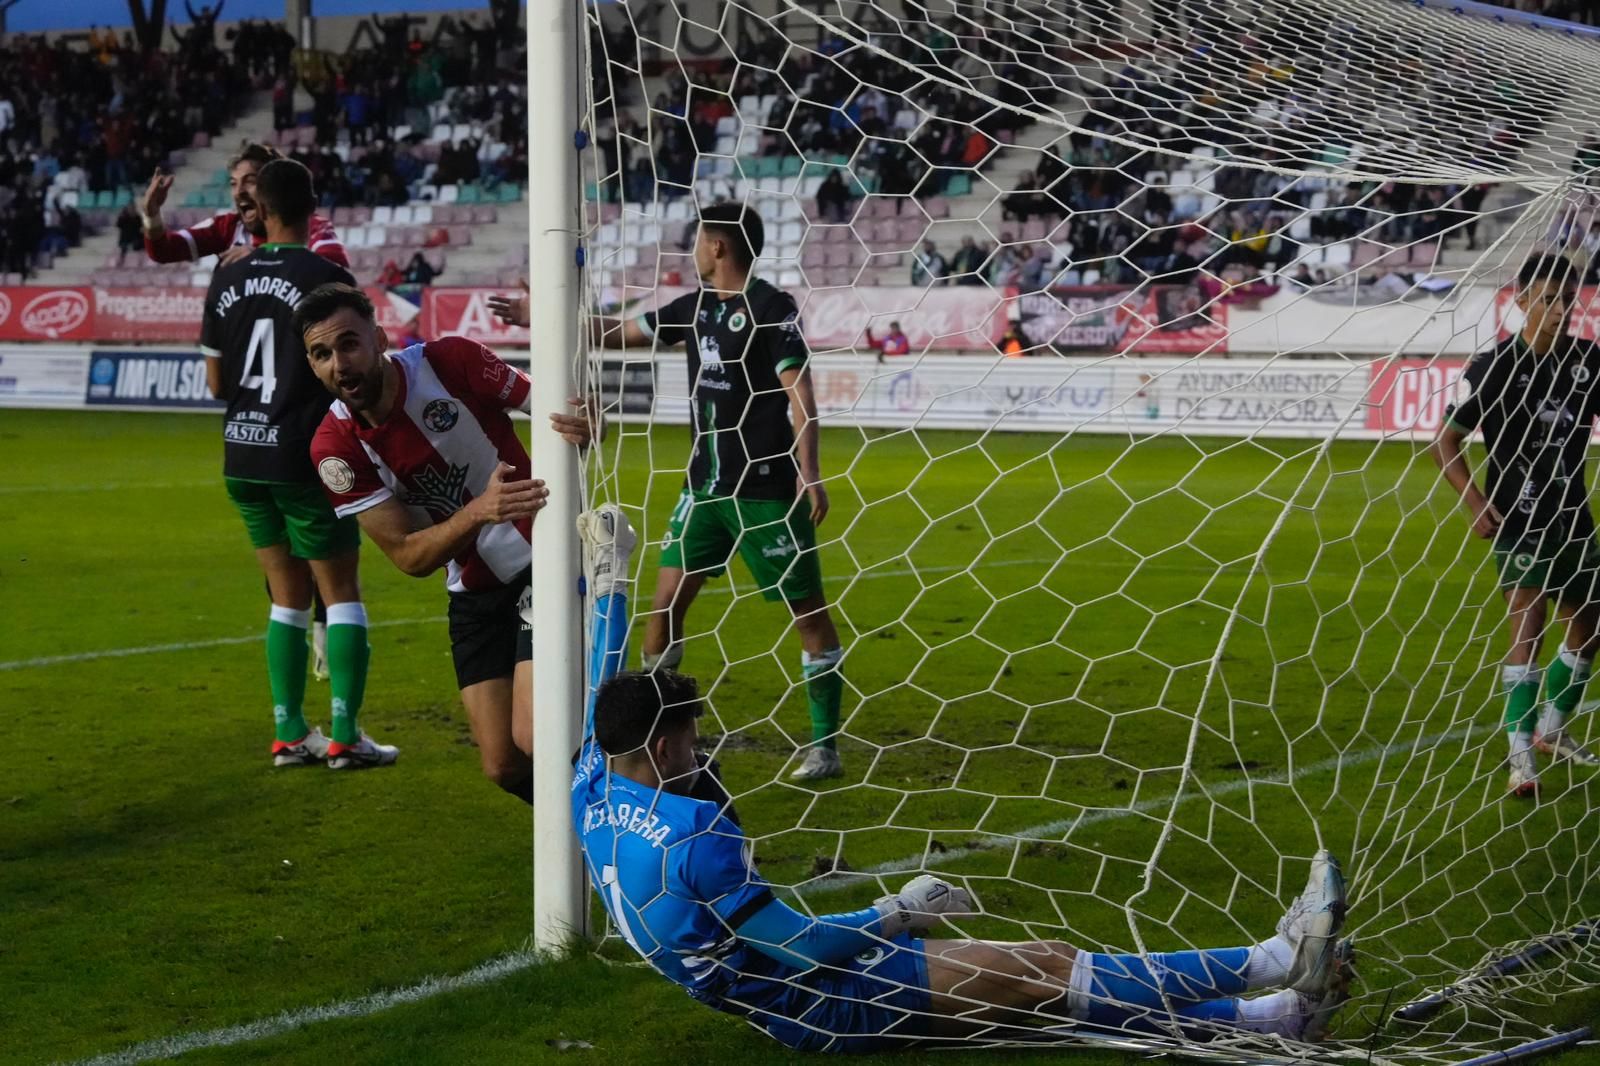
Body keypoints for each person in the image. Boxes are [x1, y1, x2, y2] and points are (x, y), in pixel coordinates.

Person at [570, 517, 1356, 1051]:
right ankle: (1269, 962)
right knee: (1043, 975)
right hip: (814, 1003)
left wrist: (610, 582)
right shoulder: (696, 838)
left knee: (1041, 975)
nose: (703, 746)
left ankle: (1276, 1011)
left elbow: (607, 680)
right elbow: (803, 948)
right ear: (668, 746)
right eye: (694, 736)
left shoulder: (592, 781)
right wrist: (896, 911)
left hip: (774, 987)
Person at [488, 204, 848, 782]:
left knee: (808, 618)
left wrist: (810, 470)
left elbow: (798, 388)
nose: (694, 248)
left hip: (765, 491)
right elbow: (615, 330)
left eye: (701, 239)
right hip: (702, 491)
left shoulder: (770, 307)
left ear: (720, 247)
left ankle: (825, 746)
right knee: (663, 610)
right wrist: (543, 314)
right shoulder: (694, 308)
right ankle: (663, 738)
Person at [296, 282, 597, 803]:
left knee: (535, 736)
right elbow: (408, 555)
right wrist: (478, 511)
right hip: (475, 592)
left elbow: (550, 406)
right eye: (321, 354)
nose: (338, 364)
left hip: (542, 560)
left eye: (348, 344)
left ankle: (647, 828)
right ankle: (605, 831)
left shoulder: (451, 361)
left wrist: (586, 419)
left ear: (381, 338)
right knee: (504, 764)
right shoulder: (334, 448)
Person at [199, 159, 392, 770]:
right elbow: (351, 364)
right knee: (340, 596)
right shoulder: (323, 274)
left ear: (258, 207)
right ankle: (344, 735)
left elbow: (214, 382)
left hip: (241, 452)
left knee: (285, 598)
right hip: (304, 454)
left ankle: (287, 731)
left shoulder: (226, 275)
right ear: (311, 207)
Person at [1432, 252, 1600, 797]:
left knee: (1591, 625)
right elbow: (1446, 442)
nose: (1560, 311)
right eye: (1548, 299)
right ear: (1522, 300)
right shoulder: (1496, 367)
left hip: (1573, 514)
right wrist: (1475, 501)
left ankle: (1553, 731)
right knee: (1528, 629)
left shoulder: (1588, 361)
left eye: (1567, 301)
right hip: (1519, 515)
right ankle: (1520, 757)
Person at [142, 142, 348, 269]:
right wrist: (151, 214)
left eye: (249, 181)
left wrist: (261, 258)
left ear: (272, 185)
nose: (239, 191)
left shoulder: (308, 225)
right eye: (233, 183)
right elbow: (164, 251)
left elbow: (333, 267)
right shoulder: (229, 227)